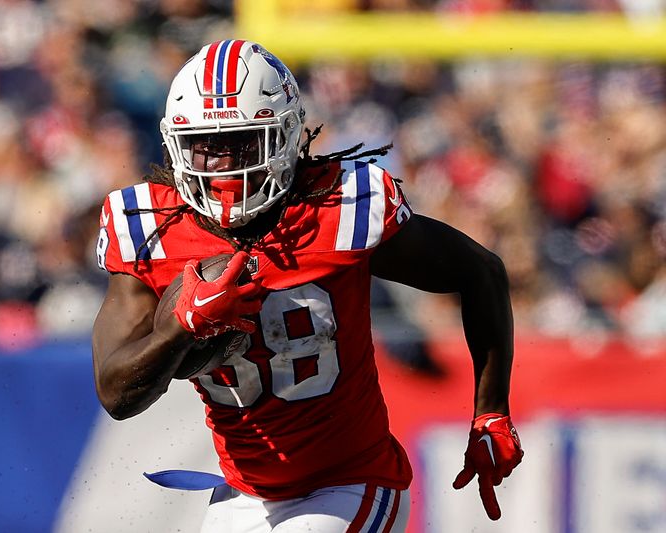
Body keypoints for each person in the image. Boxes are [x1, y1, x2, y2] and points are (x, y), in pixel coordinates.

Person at [91, 39, 523, 532]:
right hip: (245, 490)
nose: (225, 167)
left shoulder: (340, 208)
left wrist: (491, 413)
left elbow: (480, 270)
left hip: (351, 481)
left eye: (243, 144)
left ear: (288, 137)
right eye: (207, 148)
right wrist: (178, 329)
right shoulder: (150, 228)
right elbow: (116, 394)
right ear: (177, 147)